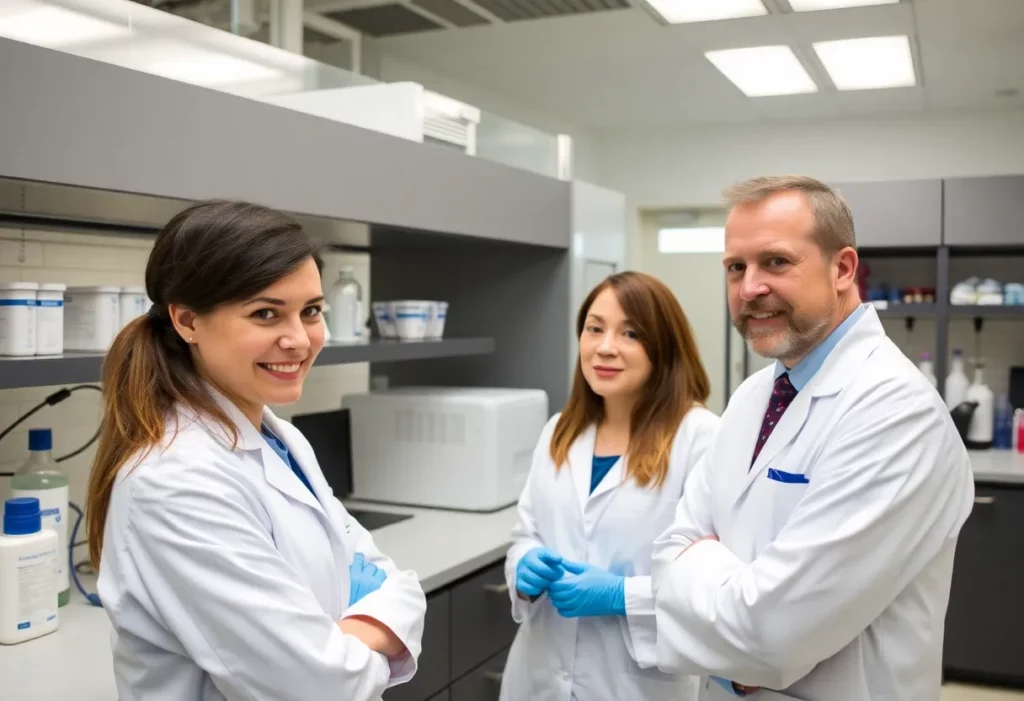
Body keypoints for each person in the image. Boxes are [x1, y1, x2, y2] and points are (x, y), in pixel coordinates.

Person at [86, 200, 426, 701]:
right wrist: (358, 631)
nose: (299, 340)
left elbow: (398, 583)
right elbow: (319, 686)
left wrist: (336, 639)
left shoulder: (280, 437)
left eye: (311, 311)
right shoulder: (175, 482)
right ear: (187, 322)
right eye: (265, 313)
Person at [650, 175, 975, 699]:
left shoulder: (897, 413)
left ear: (842, 268)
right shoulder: (753, 396)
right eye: (736, 267)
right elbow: (668, 550)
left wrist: (704, 586)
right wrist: (738, 621)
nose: (750, 287)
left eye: (776, 261)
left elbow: (770, 636)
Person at [499, 271, 720, 701]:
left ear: (664, 346)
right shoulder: (559, 431)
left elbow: (714, 589)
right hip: (537, 676)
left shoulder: (700, 438)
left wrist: (623, 596)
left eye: (630, 333)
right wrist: (524, 569)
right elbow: (527, 534)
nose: (604, 347)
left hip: (636, 684)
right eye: (594, 329)